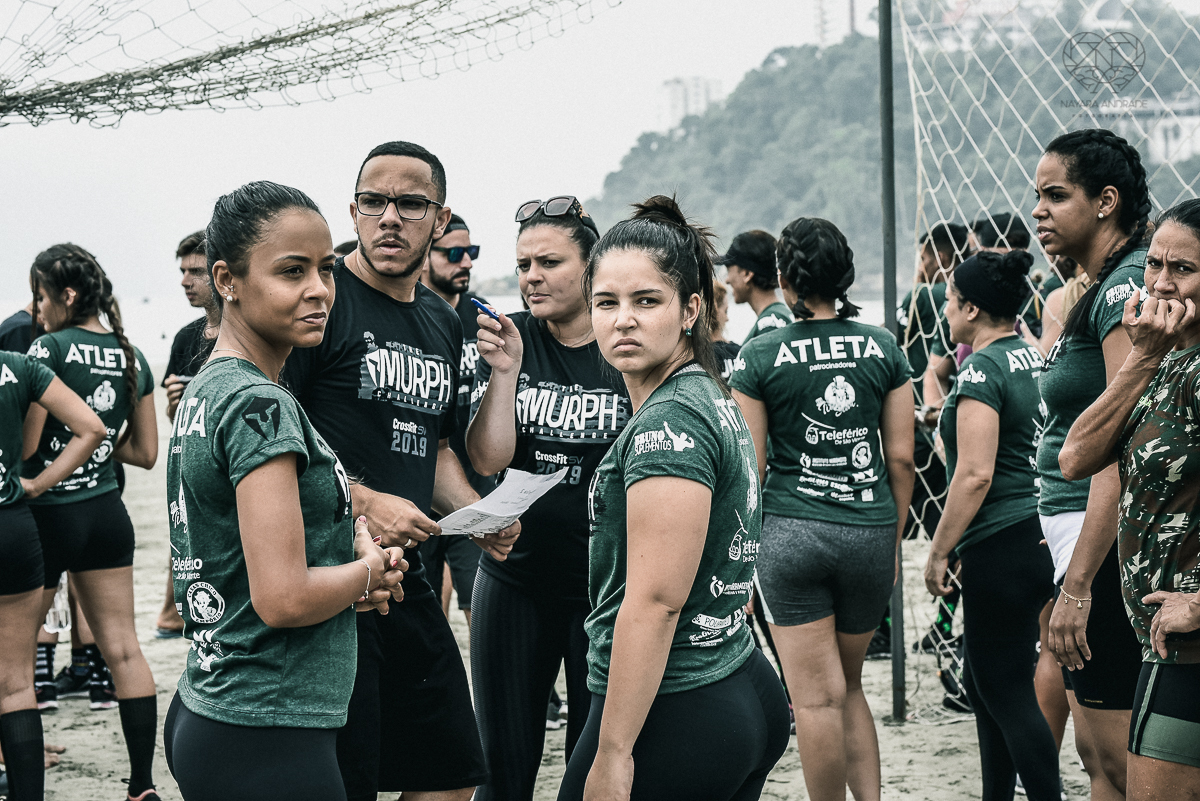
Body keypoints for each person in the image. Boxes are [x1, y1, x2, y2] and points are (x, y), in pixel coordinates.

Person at [282, 140, 517, 801]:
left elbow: (436, 448)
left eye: (411, 204)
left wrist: (478, 513)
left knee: (450, 772)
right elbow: (274, 440)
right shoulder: (320, 297)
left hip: (404, 573)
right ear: (351, 211)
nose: (390, 217)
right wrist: (363, 500)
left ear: (440, 222)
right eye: (374, 202)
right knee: (348, 778)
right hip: (327, 574)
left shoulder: (441, 321)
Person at [162, 180, 404, 801]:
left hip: (215, 699)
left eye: (325, 269)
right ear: (227, 280)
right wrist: (369, 573)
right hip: (267, 725)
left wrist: (343, 577)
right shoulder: (256, 404)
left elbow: (241, 568)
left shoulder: (207, 391)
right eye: (292, 271)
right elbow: (284, 598)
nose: (319, 290)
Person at [557, 195, 790, 801]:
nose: (623, 320)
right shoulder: (708, 393)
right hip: (736, 677)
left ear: (690, 310)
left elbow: (656, 602)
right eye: (606, 302)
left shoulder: (670, 426)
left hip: (683, 699)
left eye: (646, 301)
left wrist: (612, 753)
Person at [731, 217, 915, 801]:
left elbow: (749, 470)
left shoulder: (761, 353)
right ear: (846, 274)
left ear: (784, 277)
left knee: (814, 697)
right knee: (853, 688)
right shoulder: (883, 345)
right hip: (868, 527)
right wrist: (892, 532)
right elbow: (903, 459)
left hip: (790, 532)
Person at [465, 195, 627, 799]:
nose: (531, 276)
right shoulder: (512, 340)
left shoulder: (625, 346)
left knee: (590, 771)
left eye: (548, 262)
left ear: (591, 269)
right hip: (516, 581)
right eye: (523, 263)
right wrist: (504, 374)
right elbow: (487, 460)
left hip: (605, 590)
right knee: (502, 768)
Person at [1059, 198, 1200, 801]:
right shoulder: (1166, 361)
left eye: (1184, 269)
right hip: (1159, 641)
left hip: (1189, 645)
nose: (1163, 282)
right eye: (1155, 265)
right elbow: (1076, 458)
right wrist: (1141, 357)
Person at [1036, 128, 1152, 801]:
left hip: (1103, 542)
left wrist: (1078, 586)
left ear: (1106, 201)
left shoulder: (1122, 291)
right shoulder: (1097, 287)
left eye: (1056, 195)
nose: (1039, 211)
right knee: (1094, 754)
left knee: (1117, 758)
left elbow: (1117, 449)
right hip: (1077, 538)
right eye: (1037, 197)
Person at [23, 244, 160, 801]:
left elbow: (30, 445)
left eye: (41, 295)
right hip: (106, 514)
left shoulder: (47, 349)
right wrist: (98, 446)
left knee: (11, 659)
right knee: (124, 648)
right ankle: (142, 785)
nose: (37, 308)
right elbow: (145, 452)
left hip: (48, 515)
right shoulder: (133, 356)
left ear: (67, 296)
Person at [921, 250, 1060, 801]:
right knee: (987, 687)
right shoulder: (1031, 355)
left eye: (952, 302)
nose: (947, 311)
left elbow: (974, 475)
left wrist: (938, 549)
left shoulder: (981, 368)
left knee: (1006, 692)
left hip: (999, 542)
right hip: (1037, 530)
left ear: (971, 309)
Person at [1, 350, 105, 801]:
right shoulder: (17, 366)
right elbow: (93, 429)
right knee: (17, 684)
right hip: (11, 525)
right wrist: (36, 484)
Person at [420, 213, 496, 627]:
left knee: (481, 604)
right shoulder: (410, 317)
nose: (465, 262)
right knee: (423, 611)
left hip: (471, 483)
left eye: (471, 252)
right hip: (415, 489)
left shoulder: (482, 318)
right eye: (453, 253)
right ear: (425, 255)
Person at [154, 230, 217, 640]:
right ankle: (173, 614)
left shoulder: (248, 330)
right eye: (182, 271)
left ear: (221, 273)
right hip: (196, 462)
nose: (184, 281)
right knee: (188, 541)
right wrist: (176, 402)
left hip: (237, 456)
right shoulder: (184, 338)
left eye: (195, 271)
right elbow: (177, 416)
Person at [720, 230, 790, 344]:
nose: (727, 280)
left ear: (747, 274)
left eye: (728, 270)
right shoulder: (779, 316)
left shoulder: (770, 325)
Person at [711, 278, 742, 381]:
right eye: (726, 311)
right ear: (715, 310)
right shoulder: (738, 353)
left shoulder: (691, 356)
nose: (727, 318)